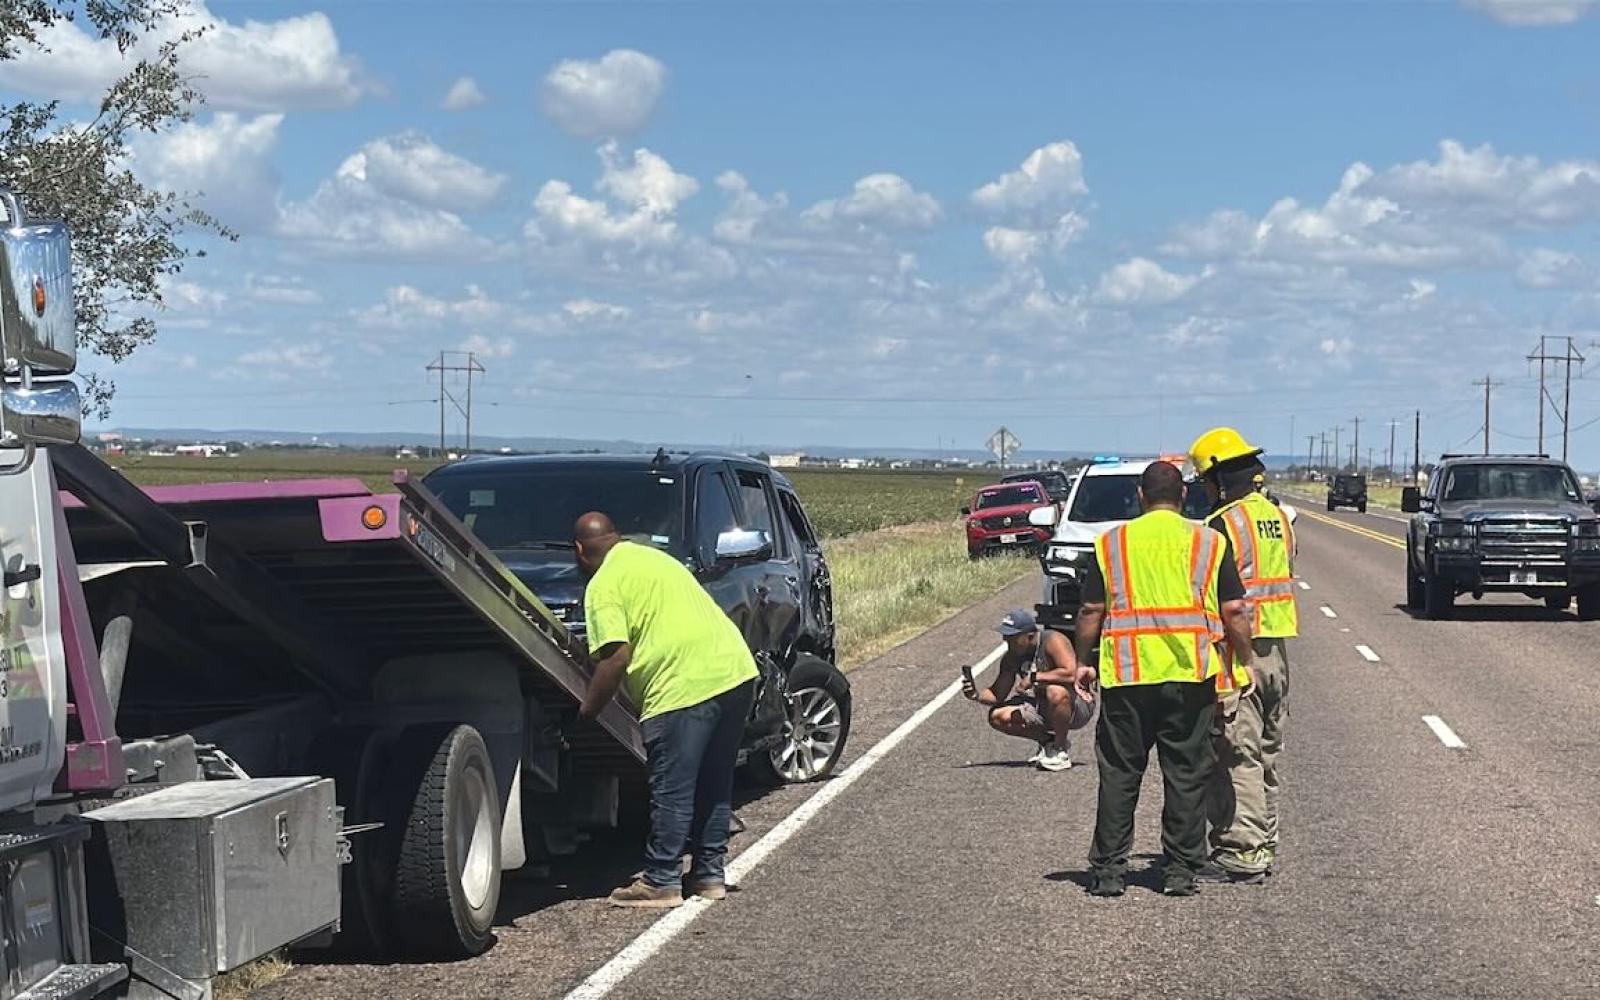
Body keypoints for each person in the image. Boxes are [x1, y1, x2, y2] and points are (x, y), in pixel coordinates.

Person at [1073, 461, 1255, 898]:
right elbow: (1234, 610)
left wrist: (1083, 660)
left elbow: (1091, 609)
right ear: (1183, 496)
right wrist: (1244, 661)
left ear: (1140, 495)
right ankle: (1179, 871)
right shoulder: (1209, 542)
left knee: (1120, 774)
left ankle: (1109, 871)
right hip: (1190, 676)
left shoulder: (1112, 543)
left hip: (1128, 676)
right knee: (1186, 773)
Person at [573, 512, 758, 909]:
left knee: (672, 787)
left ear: (579, 551)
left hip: (681, 686)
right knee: (714, 782)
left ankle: (661, 880)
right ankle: (709, 874)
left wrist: (586, 714)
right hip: (735, 671)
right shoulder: (654, 559)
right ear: (616, 537)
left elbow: (615, 657)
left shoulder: (603, 584)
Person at [1190, 427, 1299, 882]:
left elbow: (1221, 600)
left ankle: (1243, 850)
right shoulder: (1277, 518)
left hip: (1241, 652)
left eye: (1204, 481)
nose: (1203, 490)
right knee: (1266, 752)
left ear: (1218, 479)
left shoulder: (1223, 525)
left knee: (1237, 754)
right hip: (1277, 651)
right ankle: (1264, 840)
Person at [960, 609, 1096, 771]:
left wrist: (1034, 677)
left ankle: (1060, 751)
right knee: (997, 716)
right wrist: (975, 695)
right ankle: (1048, 742)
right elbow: (997, 694)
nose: (1006, 640)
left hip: (1077, 706)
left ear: (1029, 636)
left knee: (1055, 691)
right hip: (1044, 705)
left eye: (1012, 637)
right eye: (1005, 635)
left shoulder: (1053, 641)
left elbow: (1072, 674)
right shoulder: (1011, 657)